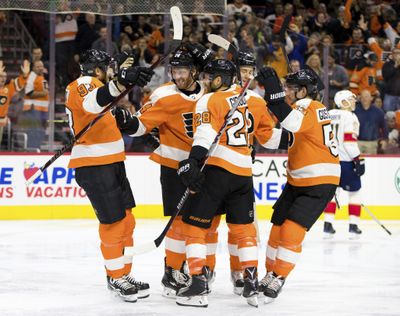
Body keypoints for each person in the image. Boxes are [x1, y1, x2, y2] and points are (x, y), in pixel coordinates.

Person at [175, 59, 287, 307]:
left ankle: (197, 283)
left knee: (195, 228)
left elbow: (204, 134)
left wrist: (193, 161)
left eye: (210, 77)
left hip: (216, 172)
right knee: (244, 230)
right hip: (243, 176)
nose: (206, 81)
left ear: (219, 79)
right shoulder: (256, 100)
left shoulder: (208, 100)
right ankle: (250, 282)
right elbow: (270, 139)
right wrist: (303, 138)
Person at [113, 45, 213, 299]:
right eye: (174, 71)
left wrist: (208, 56)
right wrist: (126, 121)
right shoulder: (163, 95)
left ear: (195, 71)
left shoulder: (210, 93)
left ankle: (195, 267)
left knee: (201, 222)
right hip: (174, 168)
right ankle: (172, 271)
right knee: (179, 223)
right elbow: (141, 125)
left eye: (182, 71)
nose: (177, 76)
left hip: (204, 167)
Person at [64, 49, 154, 302]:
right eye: (109, 69)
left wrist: (126, 87)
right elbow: (92, 102)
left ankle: (122, 273)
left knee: (127, 221)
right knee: (114, 223)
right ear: (98, 69)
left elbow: (105, 107)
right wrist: (121, 82)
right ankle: (115, 276)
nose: (112, 73)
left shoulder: (102, 90)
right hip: (94, 164)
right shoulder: (83, 83)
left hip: (112, 162)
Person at [255, 68, 340, 303]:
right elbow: (283, 139)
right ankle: (270, 273)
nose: (286, 92)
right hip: (299, 181)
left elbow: (289, 123)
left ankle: (279, 276)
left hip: (318, 182)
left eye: (290, 89)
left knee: (292, 229)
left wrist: (272, 92)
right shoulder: (304, 112)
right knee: (277, 227)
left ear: (303, 91)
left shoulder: (309, 106)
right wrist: (254, 131)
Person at [323, 90, 365, 239]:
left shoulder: (328, 113)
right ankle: (353, 226)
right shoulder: (350, 116)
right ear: (344, 102)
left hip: (330, 161)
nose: (354, 101)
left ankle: (327, 225)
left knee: (333, 193)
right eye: (351, 99)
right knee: (355, 193)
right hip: (346, 161)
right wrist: (358, 159)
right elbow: (349, 142)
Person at [0, 59, 30, 143]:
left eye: (4, 77)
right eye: (0, 76)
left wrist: (25, 75)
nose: (3, 78)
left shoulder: (7, 89)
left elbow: (19, 84)